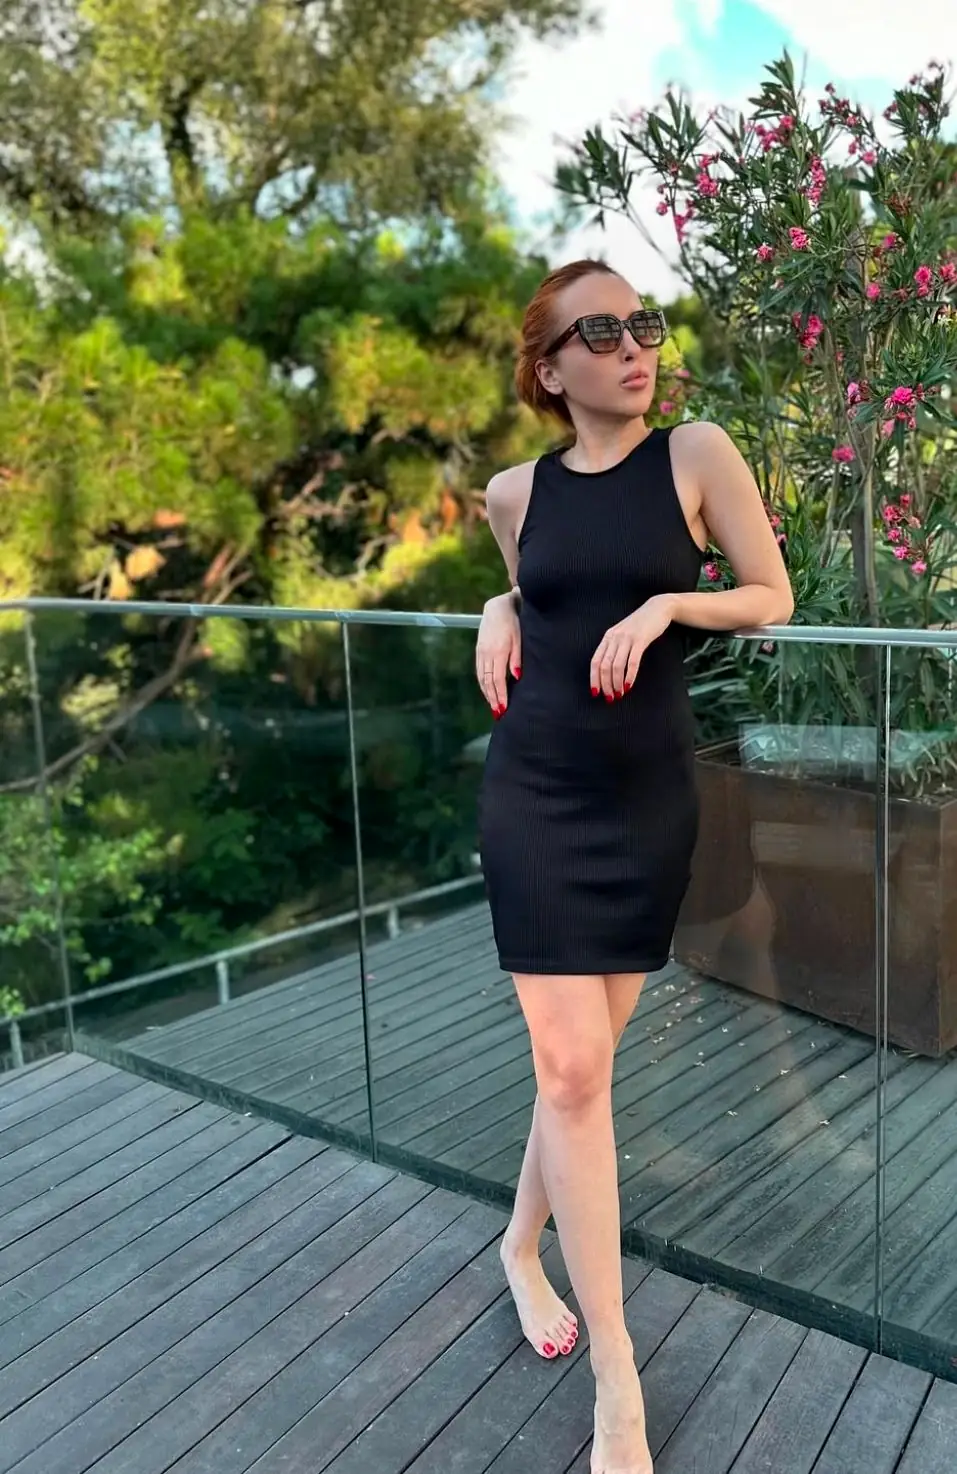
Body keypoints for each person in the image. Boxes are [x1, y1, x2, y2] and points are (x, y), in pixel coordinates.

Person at [474, 258, 793, 1474]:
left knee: (578, 1072)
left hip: (647, 800)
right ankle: (618, 1369)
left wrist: (670, 607)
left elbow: (770, 594)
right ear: (552, 369)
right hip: (536, 791)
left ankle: (519, 1245)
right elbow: (534, 592)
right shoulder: (515, 490)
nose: (633, 348)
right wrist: (495, 613)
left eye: (642, 324)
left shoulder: (695, 454)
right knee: (570, 1068)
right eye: (599, 332)